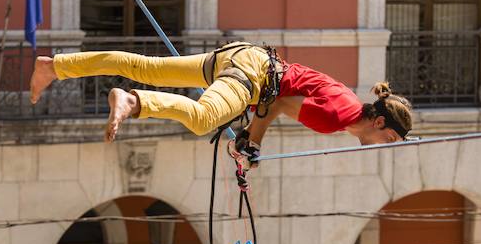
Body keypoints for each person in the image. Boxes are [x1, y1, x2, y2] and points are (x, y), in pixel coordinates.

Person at [28, 43, 414, 161]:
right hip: (253, 75)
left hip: (245, 57)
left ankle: (54, 66)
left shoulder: (346, 104)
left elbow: (277, 102)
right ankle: (131, 101)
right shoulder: (337, 117)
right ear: (380, 124)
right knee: (201, 118)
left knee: (146, 65)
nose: (384, 148)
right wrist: (252, 143)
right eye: (391, 142)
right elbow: (276, 104)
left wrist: (248, 139)